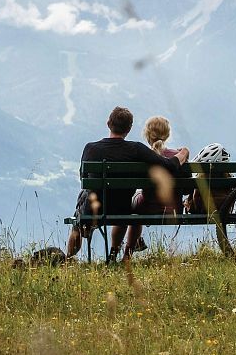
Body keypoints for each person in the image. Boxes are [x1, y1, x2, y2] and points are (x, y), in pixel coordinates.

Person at [64, 107, 190, 262]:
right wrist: (183, 153)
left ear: (108, 123)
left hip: (94, 209)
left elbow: (83, 178)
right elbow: (168, 165)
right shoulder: (136, 149)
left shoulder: (91, 148)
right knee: (120, 202)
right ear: (129, 129)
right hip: (122, 208)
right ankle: (114, 254)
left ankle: (68, 258)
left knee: (83, 201)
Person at [124, 116, 186, 259]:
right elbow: (187, 188)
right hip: (174, 209)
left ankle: (128, 252)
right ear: (167, 135)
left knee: (135, 201)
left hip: (146, 208)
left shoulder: (143, 157)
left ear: (147, 135)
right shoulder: (178, 156)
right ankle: (136, 241)